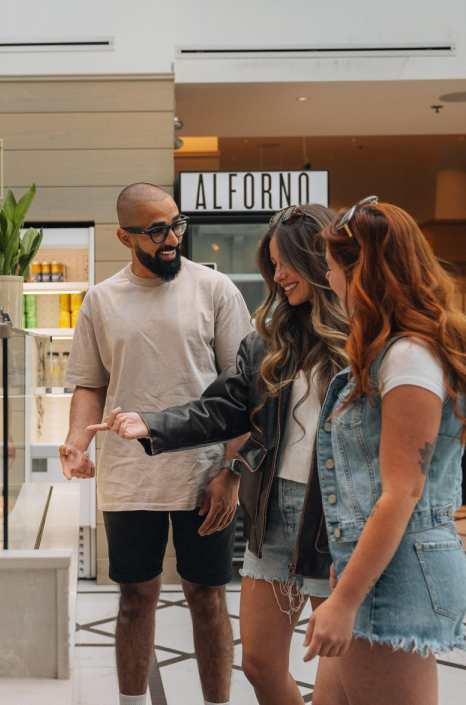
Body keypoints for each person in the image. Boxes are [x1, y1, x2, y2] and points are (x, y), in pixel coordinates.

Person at [89, 204, 351, 705]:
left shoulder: (366, 337)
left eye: (284, 262)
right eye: (271, 264)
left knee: (341, 673)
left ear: (319, 259)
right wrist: (151, 425)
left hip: (333, 518)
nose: (276, 275)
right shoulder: (271, 342)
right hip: (273, 512)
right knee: (259, 664)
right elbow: (223, 407)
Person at [58, 183, 252, 705]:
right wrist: (77, 442)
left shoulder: (216, 290)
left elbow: (244, 390)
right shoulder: (101, 300)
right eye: (157, 230)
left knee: (207, 598)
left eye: (176, 225)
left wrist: (231, 472)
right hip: (128, 475)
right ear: (125, 236)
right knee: (134, 600)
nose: (172, 239)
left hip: (204, 474)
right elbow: (90, 384)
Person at [301, 197, 466, 705]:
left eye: (332, 268)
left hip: (396, 577)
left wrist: (344, 600)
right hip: (376, 569)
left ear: (359, 271)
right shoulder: (390, 352)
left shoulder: (408, 356)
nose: (330, 281)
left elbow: (402, 492)